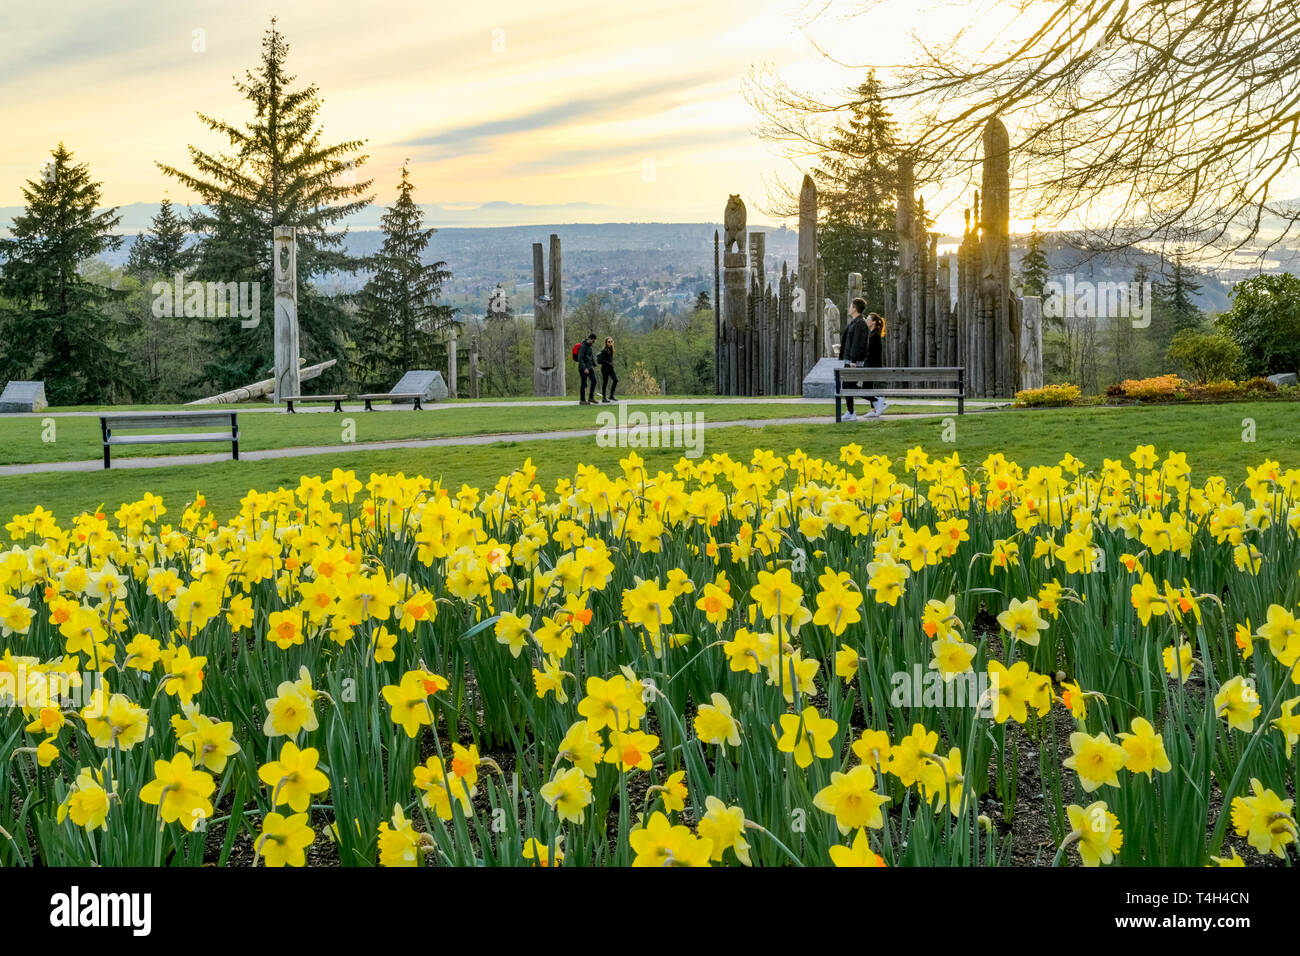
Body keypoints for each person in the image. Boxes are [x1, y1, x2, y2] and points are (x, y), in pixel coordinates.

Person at [839, 298, 869, 421]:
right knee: (846, 386)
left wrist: (854, 361)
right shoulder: (854, 322)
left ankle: (876, 399)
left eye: (850, 306)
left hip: (853, 361)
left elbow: (858, 343)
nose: (849, 308)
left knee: (850, 386)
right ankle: (851, 411)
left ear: (855, 308)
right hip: (848, 359)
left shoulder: (860, 323)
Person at [862, 311, 889, 419]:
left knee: (864, 389)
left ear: (873, 322)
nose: (866, 321)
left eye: (868, 319)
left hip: (872, 366)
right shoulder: (872, 334)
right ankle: (874, 409)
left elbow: (870, 353)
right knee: (868, 388)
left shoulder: (874, 336)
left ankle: (879, 402)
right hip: (871, 365)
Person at [577, 333, 599, 405]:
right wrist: (584, 368)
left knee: (594, 381)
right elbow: (580, 358)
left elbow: (591, 357)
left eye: (594, 341)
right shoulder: (583, 346)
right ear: (589, 339)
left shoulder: (590, 346)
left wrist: (594, 365)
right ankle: (582, 400)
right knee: (584, 384)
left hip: (589, 367)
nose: (593, 342)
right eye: (593, 341)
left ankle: (591, 397)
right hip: (583, 368)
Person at [597, 336, 618, 403]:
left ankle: (611, 395)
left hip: (611, 369)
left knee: (615, 380)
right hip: (605, 369)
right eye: (609, 341)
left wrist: (611, 363)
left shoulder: (611, 349)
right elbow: (601, 360)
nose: (610, 343)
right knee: (605, 383)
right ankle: (604, 398)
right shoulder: (604, 350)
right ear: (606, 343)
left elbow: (610, 358)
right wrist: (609, 363)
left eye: (611, 341)